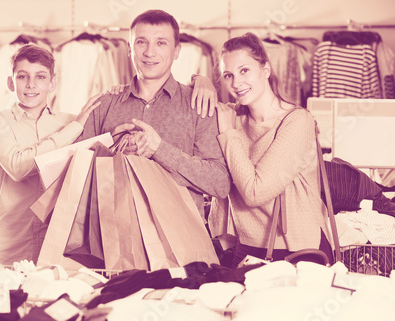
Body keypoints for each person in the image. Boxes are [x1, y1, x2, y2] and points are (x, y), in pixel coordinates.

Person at [77, 9, 231, 218]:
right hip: (113, 238)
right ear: (130, 49)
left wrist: (160, 150)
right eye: (141, 42)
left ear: (176, 51)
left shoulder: (199, 104)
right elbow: (76, 176)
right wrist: (112, 149)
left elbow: (219, 183)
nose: (150, 52)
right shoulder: (103, 104)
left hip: (179, 242)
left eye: (161, 43)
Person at [212, 32, 334, 267]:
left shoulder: (297, 121)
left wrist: (228, 134)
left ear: (265, 69)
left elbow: (255, 192)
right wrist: (201, 82)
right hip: (246, 247)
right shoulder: (231, 117)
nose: (236, 83)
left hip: (297, 249)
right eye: (228, 75)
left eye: (244, 70)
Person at [0, 44, 102, 266]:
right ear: (10, 82)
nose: (31, 84)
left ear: (52, 83)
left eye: (40, 76)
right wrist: (73, 130)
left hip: (57, 248)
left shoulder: (70, 121)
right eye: (22, 76)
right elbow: (18, 167)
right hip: (9, 248)